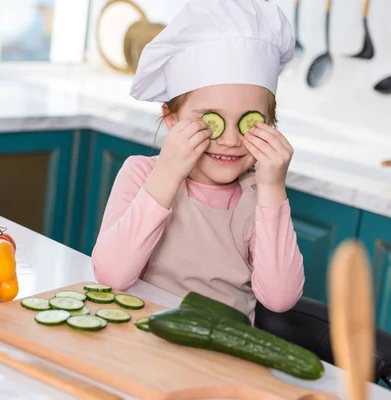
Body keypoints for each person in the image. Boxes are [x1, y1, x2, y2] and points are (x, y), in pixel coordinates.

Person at [91, 0, 304, 322]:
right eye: (211, 120)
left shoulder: (259, 195)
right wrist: (167, 175)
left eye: (249, 121)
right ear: (172, 119)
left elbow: (279, 299)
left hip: (222, 353)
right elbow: (111, 275)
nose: (231, 140)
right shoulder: (142, 174)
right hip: (138, 337)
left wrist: (273, 187)